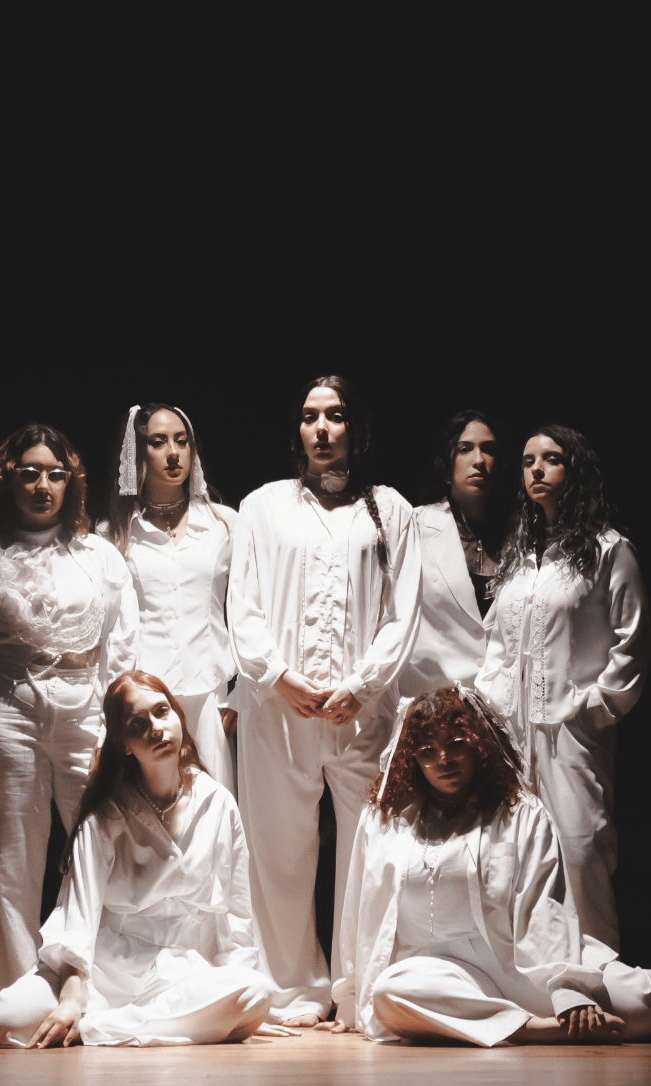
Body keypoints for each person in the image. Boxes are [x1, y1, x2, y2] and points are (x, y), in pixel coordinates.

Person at [0, 672, 290, 1049]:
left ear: (179, 716)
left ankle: (92, 1029)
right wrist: (71, 1000)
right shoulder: (104, 815)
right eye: (138, 724)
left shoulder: (218, 802)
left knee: (256, 991)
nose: (156, 728)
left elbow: (236, 915)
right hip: (97, 970)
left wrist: (243, 1011)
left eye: (162, 712)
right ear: (123, 744)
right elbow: (78, 920)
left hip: (181, 974)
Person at [227, 374, 422, 1025]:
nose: (321, 427)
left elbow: (403, 611)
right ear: (297, 429)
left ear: (354, 427)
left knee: (367, 850)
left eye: (334, 415)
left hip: (361, 713)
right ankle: (289, 989)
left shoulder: (389, 508)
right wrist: (278, 676)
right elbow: (244, 606)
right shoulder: (262, 507)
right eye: (310, 416)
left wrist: (363, 686)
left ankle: (359, 987)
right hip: (278, 710)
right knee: (278, 852)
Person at [320, 687, 650, 1046]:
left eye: (456, 744)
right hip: (440, 977)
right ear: (411, 757)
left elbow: (545, 907)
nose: (443, 759)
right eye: (427, 750)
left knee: (640, 1004)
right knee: (390, 992)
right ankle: (530, 1030)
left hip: (525, 966)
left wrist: (569, 992)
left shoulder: (521, 813)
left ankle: (541, 1016)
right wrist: (349, 1001)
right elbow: (358, 911)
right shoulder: (384, 821)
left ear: (478, 744)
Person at [0, 424, 139, 990]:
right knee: (12, 863)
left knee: (99, 847)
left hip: (86, 712)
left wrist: (112, 735)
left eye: (55, 474)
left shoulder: (98, 556)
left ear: (70, 482)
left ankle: (98, 987)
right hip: (10, 715)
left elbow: (123, 650)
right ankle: (15, 993)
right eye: (29, 473)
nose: (42, 485)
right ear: (9, 481)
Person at [476, 426, 649, 949]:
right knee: (516, 853)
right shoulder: (519, 558)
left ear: (574, 469)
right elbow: (497, 642)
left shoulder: (608, 550)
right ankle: (531, 975)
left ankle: (597, 972)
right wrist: (490, 709)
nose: (537, 469)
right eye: (528, 460)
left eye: (551, 459)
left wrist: (593, 710)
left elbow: (632, 637)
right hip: (512, 732)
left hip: (571, 730)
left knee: (580, 847)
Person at [102, 402, 238, 793]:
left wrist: (240, 697)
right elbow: (109, 627)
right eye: (158, 442)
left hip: (211, 692)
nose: (173, 452)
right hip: (144, 695)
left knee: (213, 802)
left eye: (182, 440)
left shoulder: (225, 524)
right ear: (138, 452)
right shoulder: (112, 534)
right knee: (152, 805)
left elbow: (250, 608)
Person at [399, 409, 511, 698]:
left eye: (488, 449)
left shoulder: (520, 537)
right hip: (432, 701)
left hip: (501, 703)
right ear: (446, 461)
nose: (478, 460)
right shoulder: (414, 526)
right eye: (465, 449)